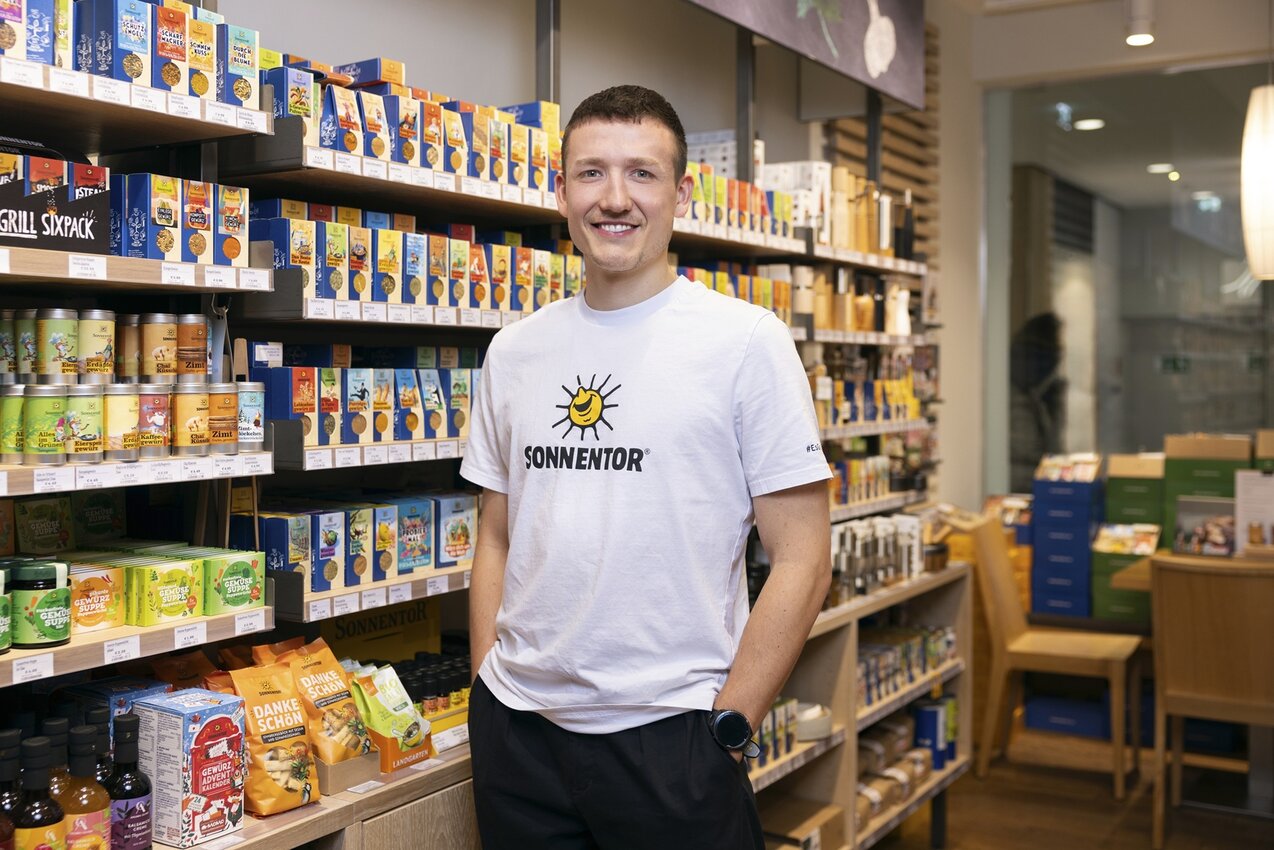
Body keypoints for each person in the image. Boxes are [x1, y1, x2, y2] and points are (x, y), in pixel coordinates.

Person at [460, 85, 832, 849]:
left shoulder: (745, 342)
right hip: (518, 736)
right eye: (591, 173)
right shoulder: (514, 350)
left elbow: (803, 556)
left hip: (673, 738)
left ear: (681, 195)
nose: (614, 198)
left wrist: (731, 722)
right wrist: (483, 688)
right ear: (561, 192)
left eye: (642, 173)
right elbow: (496, 534)